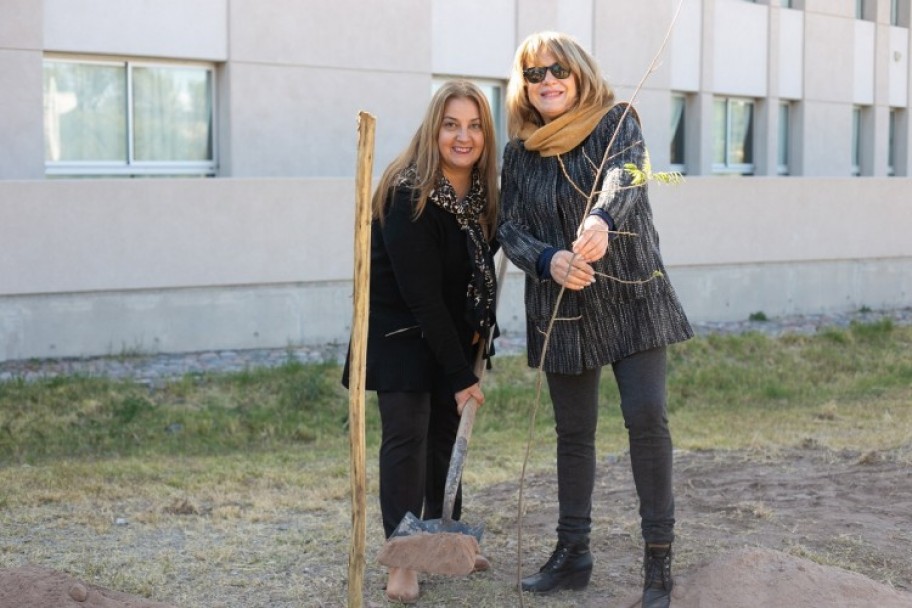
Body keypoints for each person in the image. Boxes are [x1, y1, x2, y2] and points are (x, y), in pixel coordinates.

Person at [497, 31, 693, 608]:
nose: (547, 81)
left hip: (631, 295)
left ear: (578, 72)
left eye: (558, 69)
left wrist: (602, 220)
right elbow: (509, 227)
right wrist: (547, 259)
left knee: (647, 419)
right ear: (524, 86)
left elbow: (630, 177)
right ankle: (573, 554)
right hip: (561, 303)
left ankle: (658, 561)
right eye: (534, 74)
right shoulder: (519, 151)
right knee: (573, 435)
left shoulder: (616, 120)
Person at [342, 80, 499, 604]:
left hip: (448, 332)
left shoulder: (479, 196)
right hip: (401, 331)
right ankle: (403, 559)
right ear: (434, 129)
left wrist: (464, 356)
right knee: (409, 438)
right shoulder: (407, 192)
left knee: (445, 439)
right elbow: (420, 294)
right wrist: (459, 376)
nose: (463, 136)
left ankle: (445, 536)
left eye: (474, 125)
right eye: (452, 124)